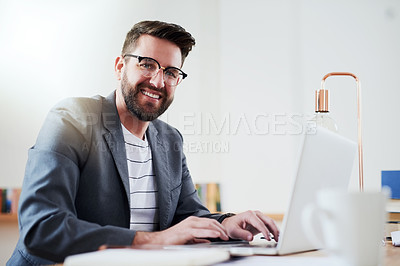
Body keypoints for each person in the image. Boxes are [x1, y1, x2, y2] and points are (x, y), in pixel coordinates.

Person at [7, 20, 279, 265]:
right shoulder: (73, 119)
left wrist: (227, 223)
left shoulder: (170, 139)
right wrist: (154, 240)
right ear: (119, 67)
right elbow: (41, 227)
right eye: (147, 64)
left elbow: (188, 216)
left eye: (171, 72)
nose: (158, 80)